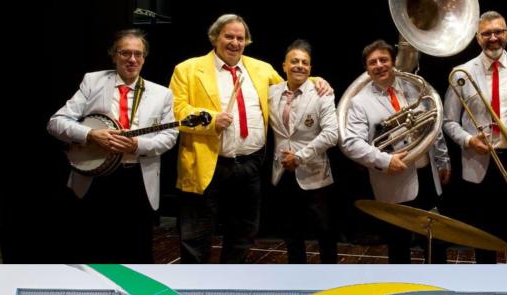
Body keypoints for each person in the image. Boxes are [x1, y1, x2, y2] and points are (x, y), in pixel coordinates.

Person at [170, 13, 332, 263]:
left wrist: (316, 80)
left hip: (250, 165)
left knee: (243, 232)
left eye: (240, 37)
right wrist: (211, 120)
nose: (235, 42)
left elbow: (290, 86)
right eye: (229, 36)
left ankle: (233, 283)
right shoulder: (187, 69)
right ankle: (194, 289)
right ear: (215, 38)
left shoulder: (261, 69)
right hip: (207, 164)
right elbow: (176, 111)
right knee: (196, 235)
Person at [47, 29, 177, 263]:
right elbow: (55, 123)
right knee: (92, 250)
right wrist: (91, 135)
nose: (132, 59)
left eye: (138, 54)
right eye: (125, 53)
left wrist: (137, 144)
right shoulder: (92, 81)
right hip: (95, 179)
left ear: (145, 58)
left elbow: (169, 136)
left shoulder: (162, 94)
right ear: (114, 56)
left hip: (136, 180)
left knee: (136, 252)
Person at [443, 10, 507, 263]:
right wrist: (468, 140)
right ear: (478, 38)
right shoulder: (461, 73)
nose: (493, 38)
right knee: (484, 237)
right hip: (480, 165)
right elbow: (448, 122)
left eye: (498, 32)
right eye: (487, 33)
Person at [342, 39, 451, 263]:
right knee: (399, 245)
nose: (379, 65)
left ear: (393, 62)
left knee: (436, 242)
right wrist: (384, 160)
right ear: (367, 68)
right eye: (373, 62)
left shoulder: (415, 88)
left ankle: (438, 287)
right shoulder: (359, 102)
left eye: (384, 60)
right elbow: (351, 143)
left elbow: (433, 125)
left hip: (427, 177)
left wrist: (442, 160)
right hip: (394, 182)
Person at [268, 39, 338, 263]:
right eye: (294, 61)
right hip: (282, 173)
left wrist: (299, 157)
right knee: (292, 234)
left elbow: (331, 134)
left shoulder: (322, 93)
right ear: (284, 66)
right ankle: (297, 278)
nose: (300, 66)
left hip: (315, 174)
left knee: (325, 233)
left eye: (305, 63)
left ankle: (331, 281)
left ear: (310, 68)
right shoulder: (270, 93)